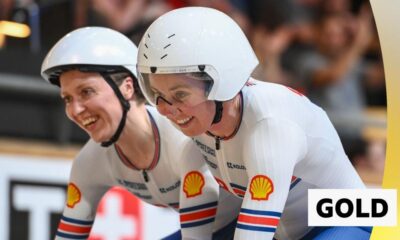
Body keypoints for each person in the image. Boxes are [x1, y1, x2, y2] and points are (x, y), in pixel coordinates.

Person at [136, 7, 371, 240]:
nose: (164, 109)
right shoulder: (201, 120)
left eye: (180, 95)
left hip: (351, 222)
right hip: (286, 228)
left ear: (221, 84)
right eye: (156, 93)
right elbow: (198, 230)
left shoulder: (270, 125)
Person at [41, 27, 241, 240]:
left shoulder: (182, 139)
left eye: (86, 92)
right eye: (67, 99)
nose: (76, 110)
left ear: (128, 87)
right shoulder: (89, 162)